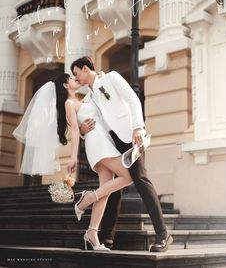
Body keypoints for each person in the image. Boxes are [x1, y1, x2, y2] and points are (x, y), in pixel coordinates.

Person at [13, 73, 133, 251]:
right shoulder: (69, 104)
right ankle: (87, 198)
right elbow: (76, 132)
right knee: (128, 176)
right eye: (70, 78)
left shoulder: (84, 98)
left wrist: (100, 77)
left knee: (105, 190)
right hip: (97, 144)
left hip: (104, 141)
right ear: (65, 85)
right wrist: (73, 157)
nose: (75, 79)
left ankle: (92, 234)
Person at [71, 56, 173, 252]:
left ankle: (163, 234)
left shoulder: (111, 78)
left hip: (129, 136)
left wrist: (137, 127)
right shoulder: (89, 97)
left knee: (141, 180)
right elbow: (85, 121)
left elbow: (132, 99)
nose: (77, 79)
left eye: (77, 74)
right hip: (111, 143)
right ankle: (106, 237)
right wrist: (82, 131)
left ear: (85, 69)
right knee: (112, 189)